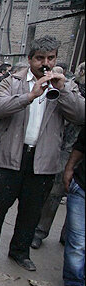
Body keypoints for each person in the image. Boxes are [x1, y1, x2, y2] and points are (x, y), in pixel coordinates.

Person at [0, 36, 84, 270]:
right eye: (40, 58)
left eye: (50, 58)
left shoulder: (65, 85)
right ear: (30, 59)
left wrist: (62, 89)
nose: (45, 63)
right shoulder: (12, 81)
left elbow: (80, 115)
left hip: (43, 161)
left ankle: (20, 252)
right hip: (9, 158)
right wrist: (29, 96)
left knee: (31, 211)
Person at [31, 63, 84, 249]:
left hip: (79, 148)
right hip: (66, 147)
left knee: (78, 196)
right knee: (56, 191)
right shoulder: (70, 87)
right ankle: (39, 231)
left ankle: (68, 234)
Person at [59, 126, 85, 286]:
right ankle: (73, 282)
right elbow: (81, 145)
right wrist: (69, 169)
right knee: (77, 240)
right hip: (82, 187)